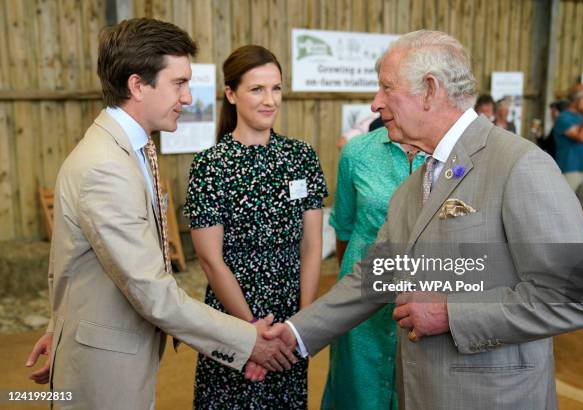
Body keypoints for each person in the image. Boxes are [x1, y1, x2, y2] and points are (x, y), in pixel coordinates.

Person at [262, 30, 583, 409]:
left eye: (386, 89)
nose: (375, 104)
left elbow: (573, 297)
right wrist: (293, 334)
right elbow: (372, 278)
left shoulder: (521, 164)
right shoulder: (412, 188)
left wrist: (451, 314)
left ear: (429, 90)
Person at [25, 19, 294, 409]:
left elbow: (71, 262)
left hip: (111, 352)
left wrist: (60, 326)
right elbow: (152, 292)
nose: (187, 97)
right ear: (138, 85)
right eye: (179, 83)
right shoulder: (106, 167)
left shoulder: (126, 151)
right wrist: (249, 341)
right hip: (108, 369)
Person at [185, 45, 328, 409]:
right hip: (233, 317)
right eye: (257, 89)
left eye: (276, 88)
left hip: (289, 317)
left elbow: (312, 246)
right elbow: (210, 259)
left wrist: (298, 329)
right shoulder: (210, 166)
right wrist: (250, 336)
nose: (270, 100)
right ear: (231, 94)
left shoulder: (302, 157)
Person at [323, 126, 425, 410]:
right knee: (357, 390)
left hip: (423, 302)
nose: (377, 102)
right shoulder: (358, 152)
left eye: (388, 89)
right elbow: (344, 227)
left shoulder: (448, 154)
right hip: (361, 300)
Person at [552, 84, 583, 213]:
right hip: (569, 168)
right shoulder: (564, 118)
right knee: (564, 207)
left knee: (582, 209)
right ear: (578, 99)